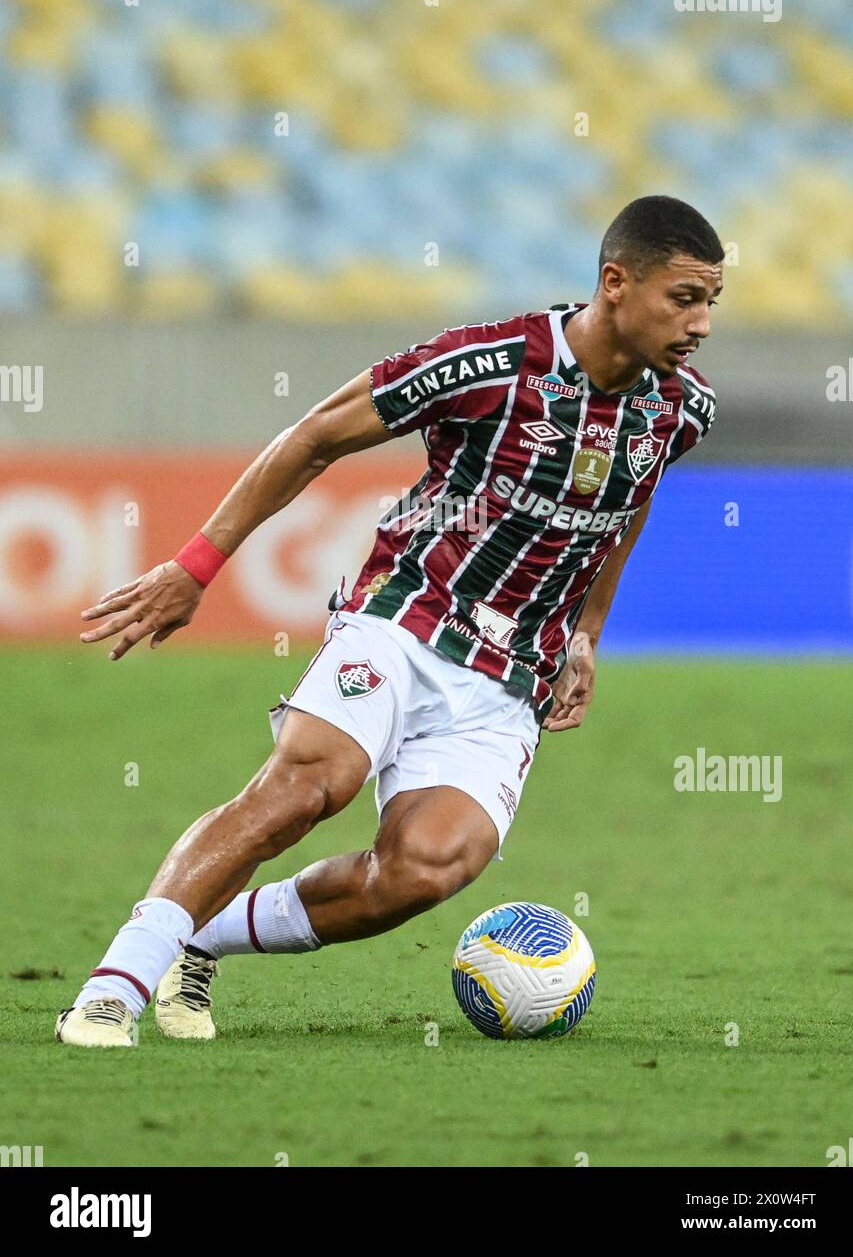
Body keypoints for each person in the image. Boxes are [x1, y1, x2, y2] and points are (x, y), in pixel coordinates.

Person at [55, 194, 722, 1047]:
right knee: (306, 789)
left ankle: (199, 938)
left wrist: (587, 630)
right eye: (685, 297)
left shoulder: (681, 408)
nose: (701, 322)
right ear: (616, 283)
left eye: (711, 302)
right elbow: (316, 435)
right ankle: (114, 986)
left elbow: (629, 502)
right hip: (407, 617)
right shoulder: (490, 363)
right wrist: (197, 566)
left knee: (424, 870)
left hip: (511, 672)